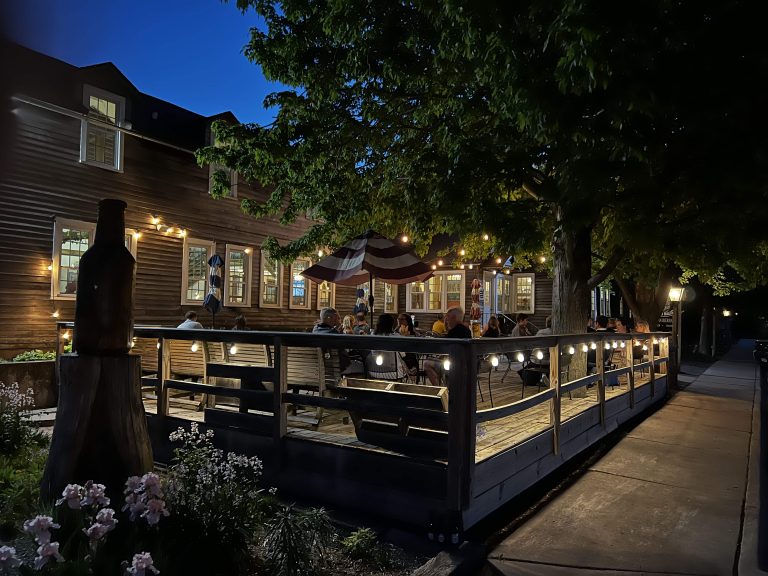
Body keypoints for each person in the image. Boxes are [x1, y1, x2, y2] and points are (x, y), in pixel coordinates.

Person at [424, 307, 471, 385]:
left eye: (448, 317)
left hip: (454, 366)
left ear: (454, 318)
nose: (446, 320)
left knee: (426, 363)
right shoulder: (466, 330)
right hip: (465, 365)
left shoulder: (454, 331)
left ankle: (440, 388)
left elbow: (442, 346)